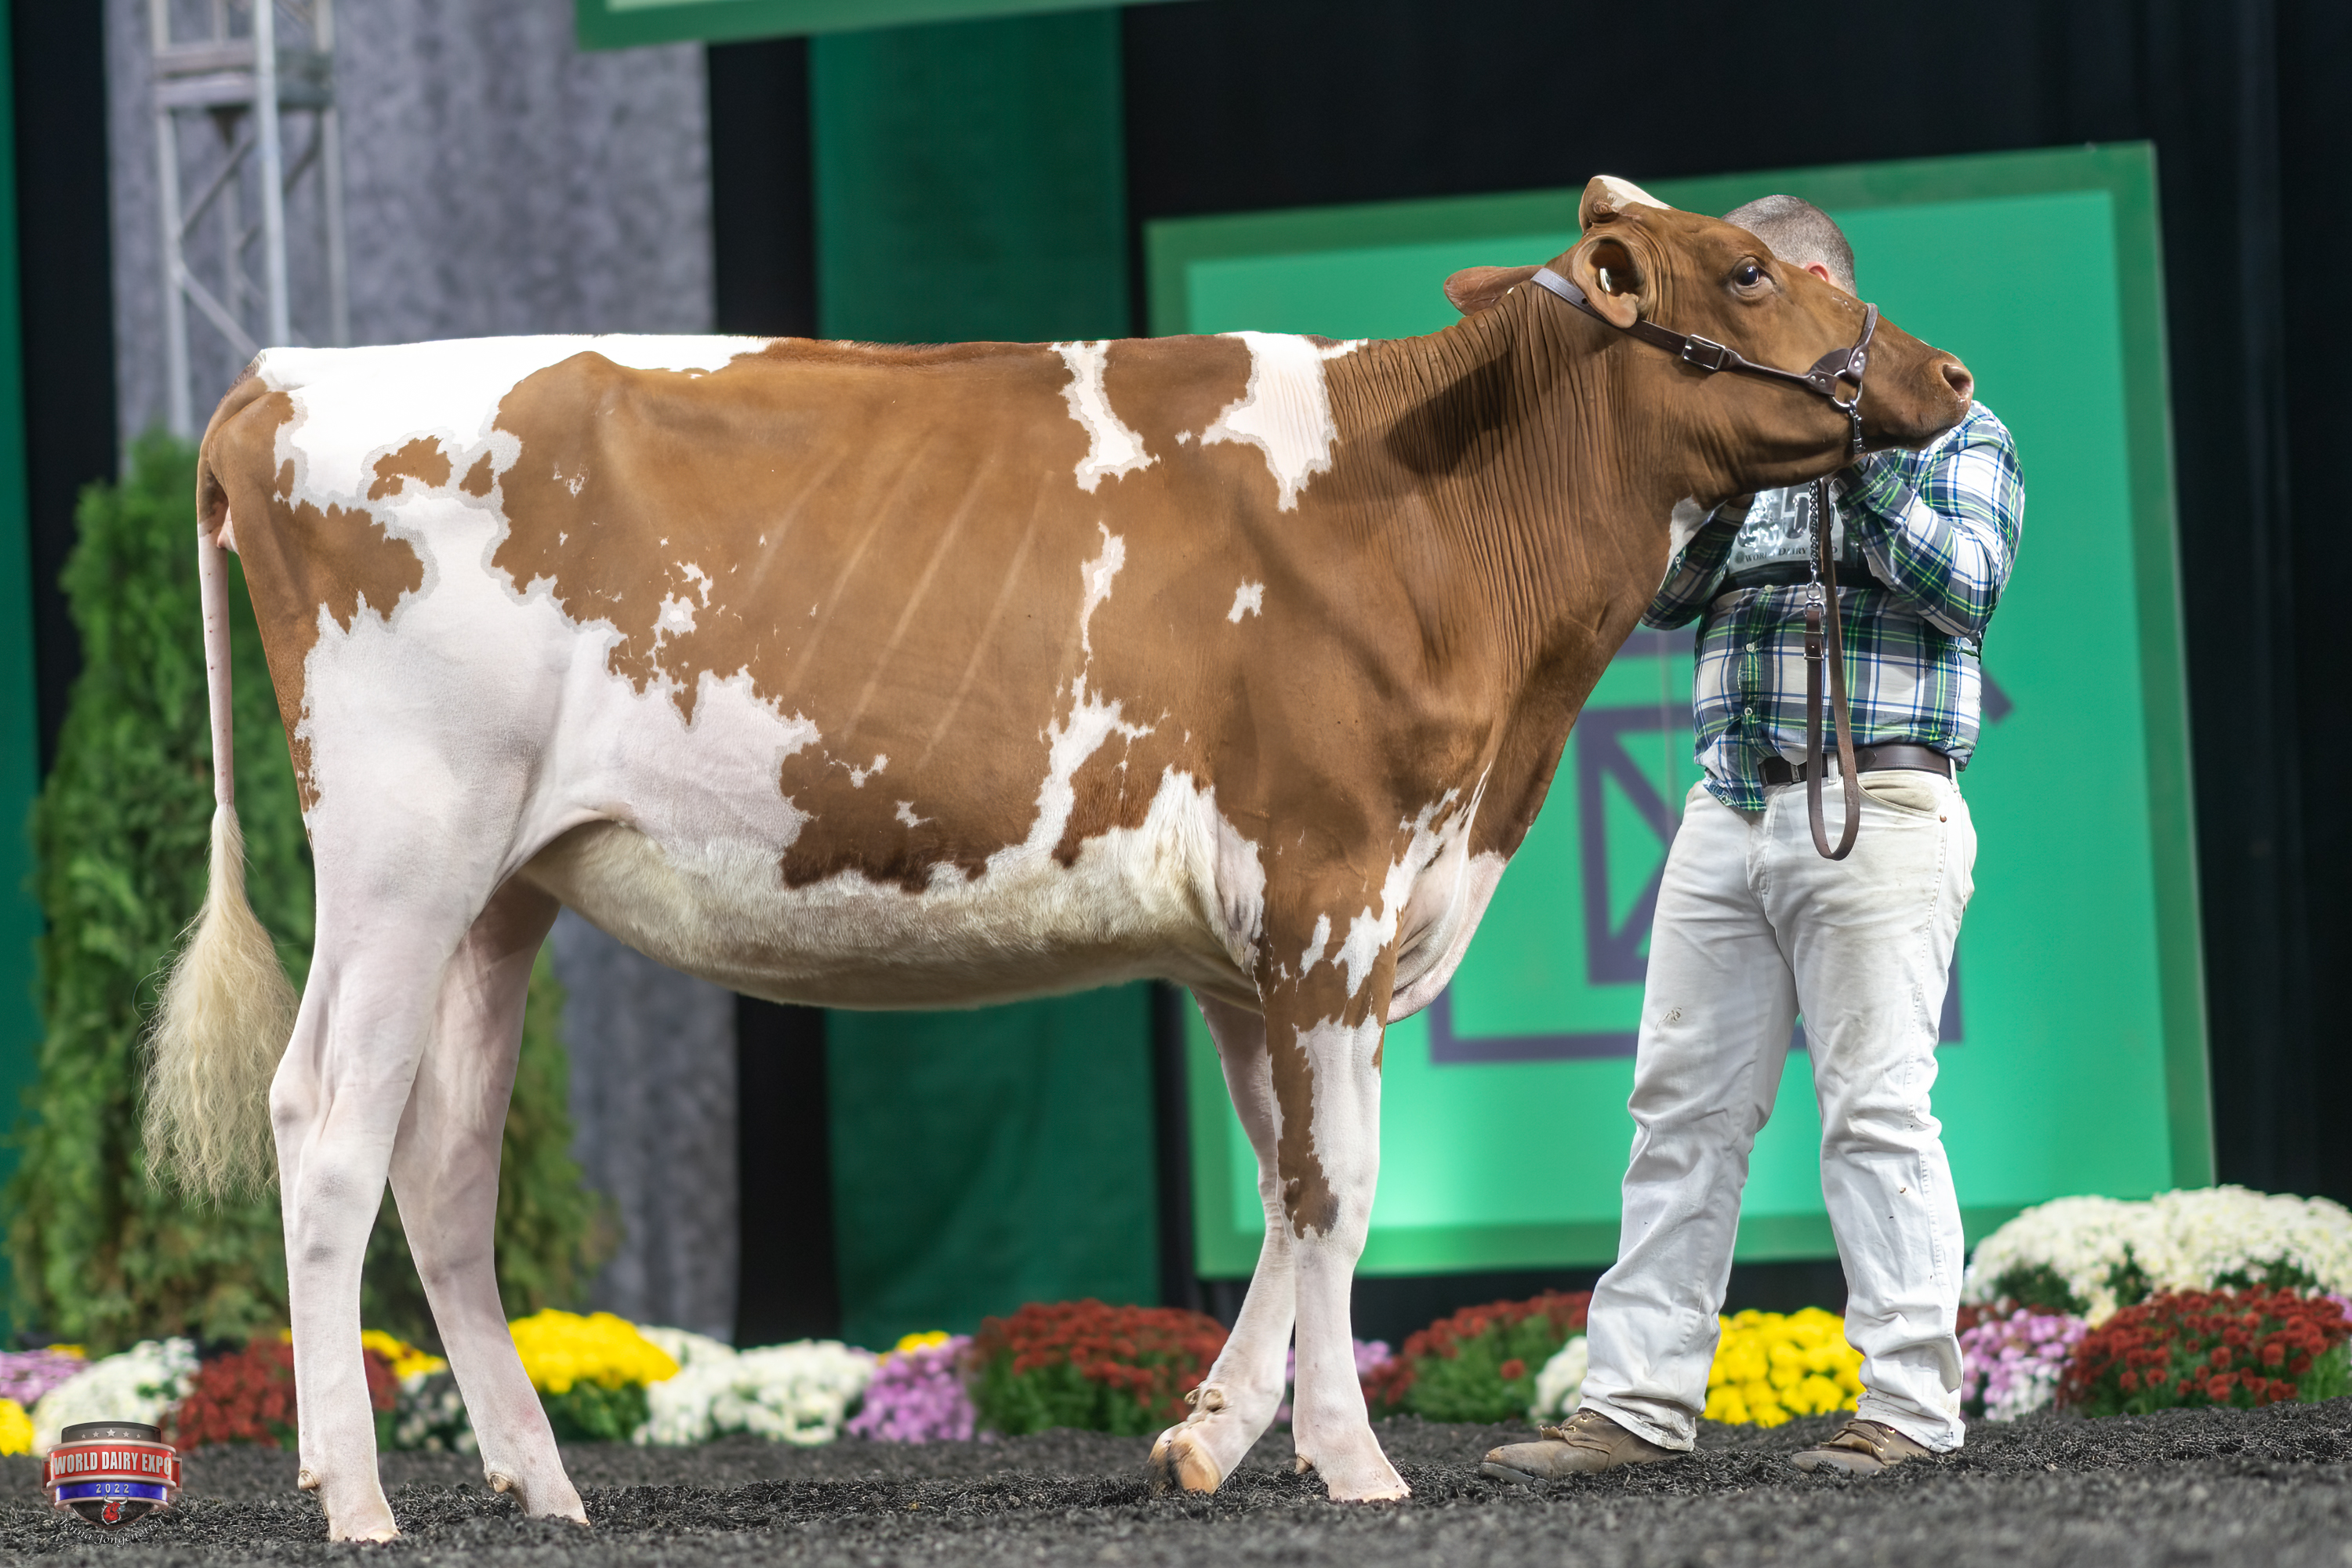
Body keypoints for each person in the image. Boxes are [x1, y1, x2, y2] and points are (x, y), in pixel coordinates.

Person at [1483, 194, 2026, 1479]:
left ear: (1825, 294)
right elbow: (1668, 599)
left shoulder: (1954, 425)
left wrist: (1861, 450)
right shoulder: (1746, 435)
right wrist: (1733, 476)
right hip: (1728, 809)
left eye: (1763, 292)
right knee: (1678, 1110)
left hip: (1878, 803)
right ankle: (1634, 1407)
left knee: (1877, 1112)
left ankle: (1910, 1411)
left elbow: (1968, 587)